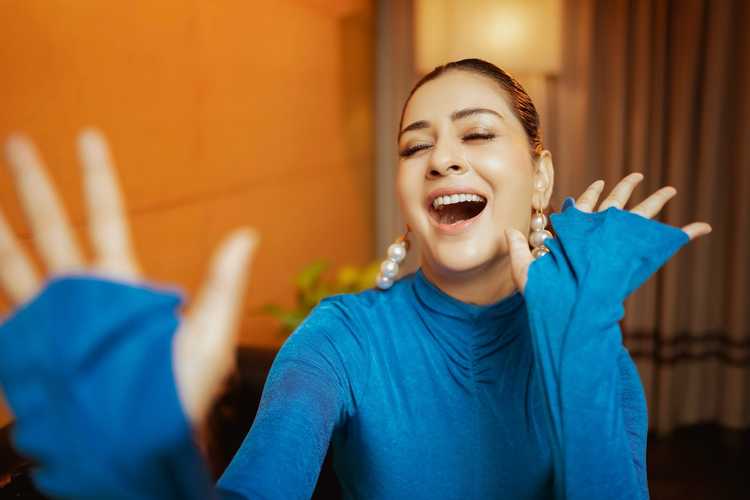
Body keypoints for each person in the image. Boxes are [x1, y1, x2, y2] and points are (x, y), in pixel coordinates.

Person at [0, 59, 711, 500]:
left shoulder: (590, 337)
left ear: (541, 176)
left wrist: (576, 342)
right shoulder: (340, 339)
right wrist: (151, 477)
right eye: (415, 146)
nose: (441, 159)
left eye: (477, 133)